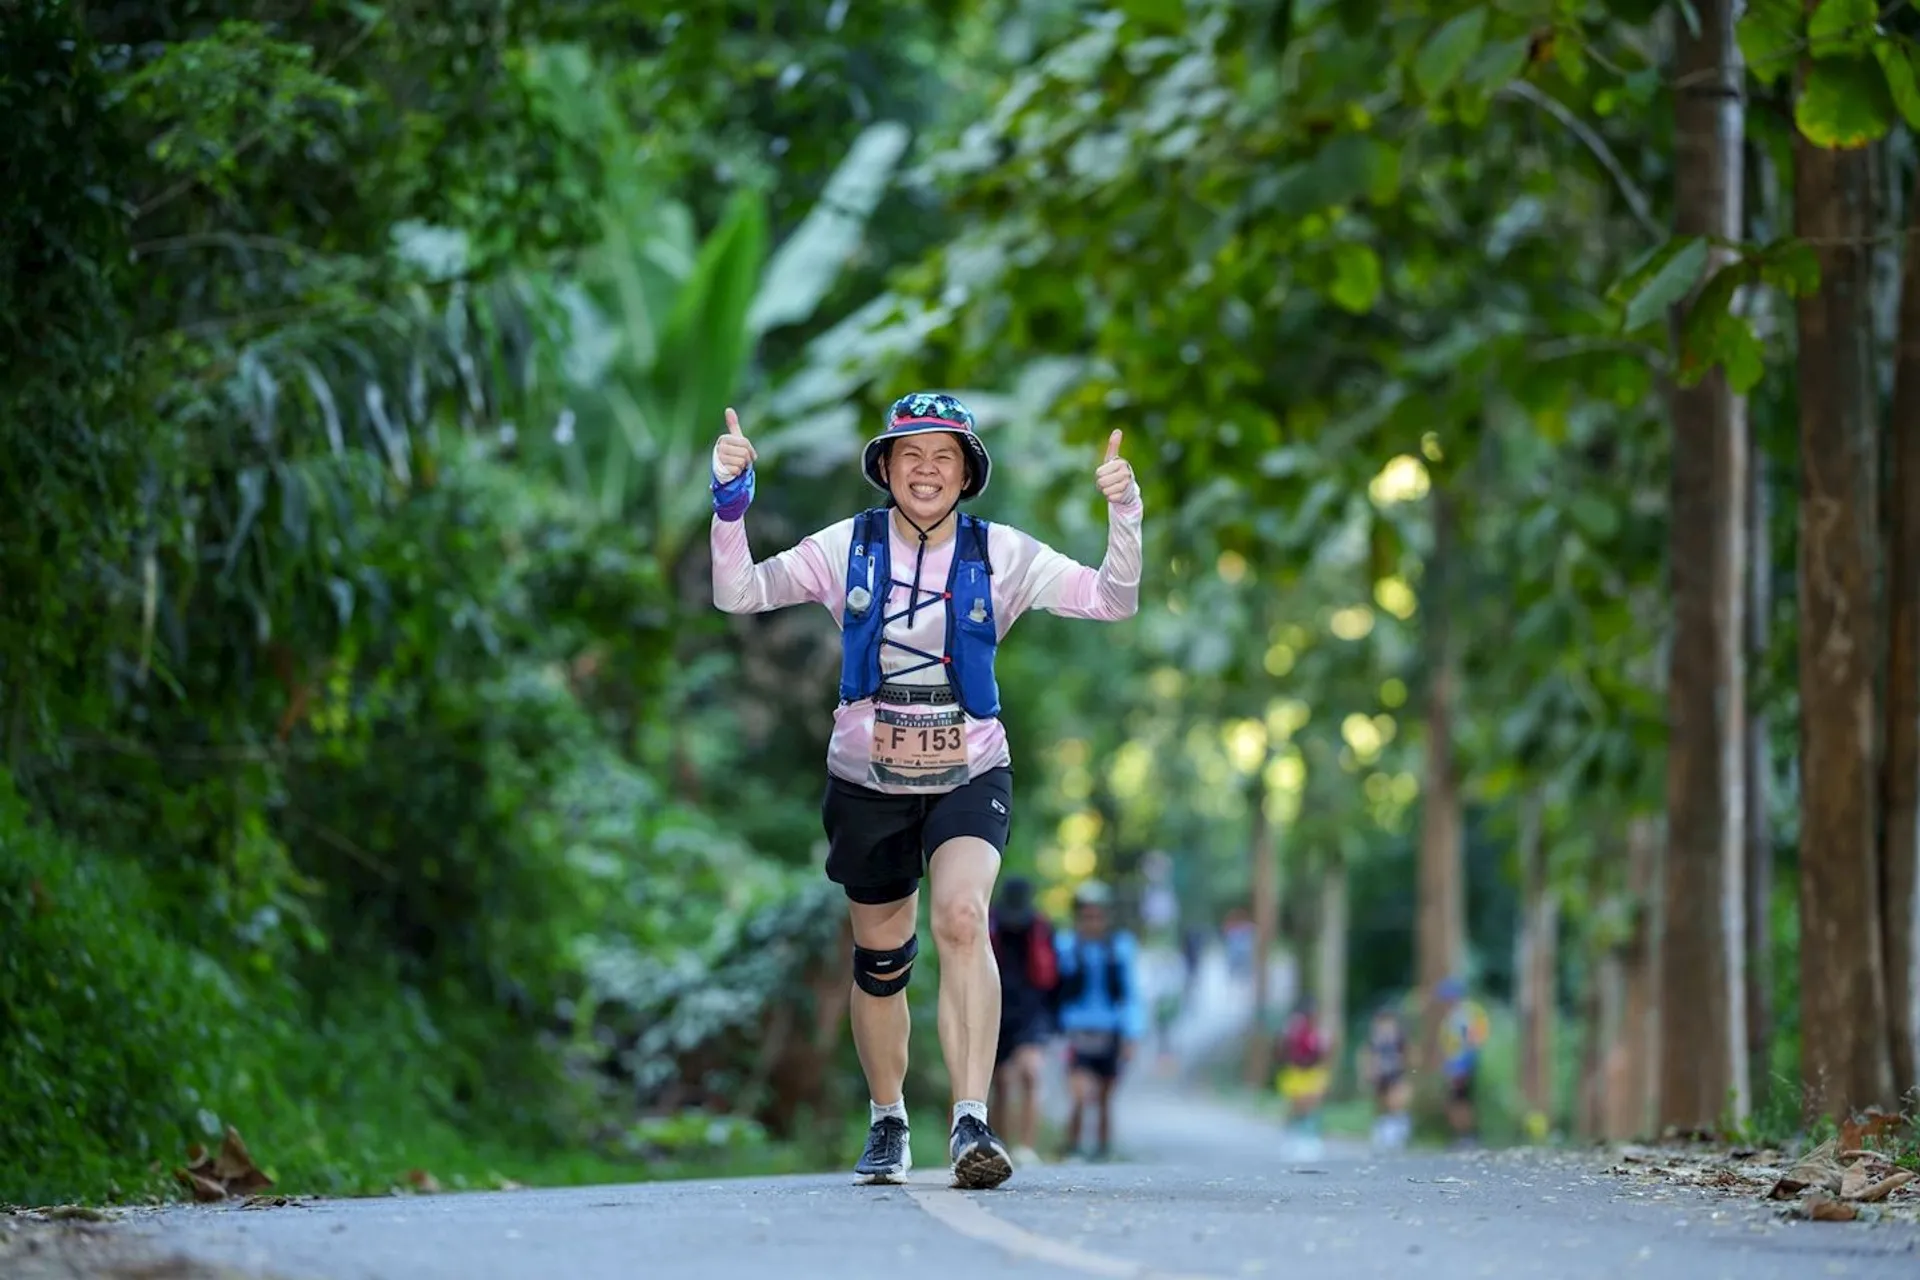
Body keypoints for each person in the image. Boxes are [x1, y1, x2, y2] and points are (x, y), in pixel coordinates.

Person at [708, 393, 1143, 1189]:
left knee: (963, 915)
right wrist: (730, 501)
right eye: (911, 455)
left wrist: (1125, 512)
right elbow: (738, 594)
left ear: (968, 470)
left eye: (945, 456)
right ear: (886, 467)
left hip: (971, 765)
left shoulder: (1002, 553)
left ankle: (971, 1118)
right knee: (881, 961)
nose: (927, 470)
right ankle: (887, 1120)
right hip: (865, 775)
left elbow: (1113, 601)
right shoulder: (846, 546)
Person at [1054, 881, 1147, 1161]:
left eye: (1097, 915)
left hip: (1111, 1032)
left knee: (1106, 1097)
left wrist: (1132, 1033)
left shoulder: (1120, 948)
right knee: (1080, 1095)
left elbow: (1131, 993)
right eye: (1087, 915)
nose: (1092, 921)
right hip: (1076, 1031)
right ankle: (1073, 1149)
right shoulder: (1066, 946)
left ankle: (1103, 1153)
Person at [988, 876, 1059, 1166]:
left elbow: (1056, 977)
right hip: (996, 1007)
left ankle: (1027, 1148)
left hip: (1032, 1011)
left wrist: (1055, 1018)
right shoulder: (991, 924)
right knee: (1002, 1083)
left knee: (1031, 1072)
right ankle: (1000, 1147)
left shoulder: (1042, 929)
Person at [1435, 976, 1489, 1148]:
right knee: (1455, 1101)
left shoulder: (1464, 1015)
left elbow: (1470, 1042)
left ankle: (1467, 1135)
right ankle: (1462, 1135)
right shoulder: (1454, 1016)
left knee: (1460, 1101)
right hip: (1455, 1064)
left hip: (1462, 1065)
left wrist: (1462, 1066)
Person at [1273, 998, 1331, 1158]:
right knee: (1296, 1105)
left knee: (1312, 1104)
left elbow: (1325, 1052)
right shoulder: (1291, 1028)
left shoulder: (1319, 1031)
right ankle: (1292, 1136)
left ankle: (1311, 1138)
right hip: (1295, 1070)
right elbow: (1281, 1048)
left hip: (1313, 1071)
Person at [1360, 1004, 1412, 1151]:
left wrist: (1406, 1068)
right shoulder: (1375, 1039)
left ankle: (1399, 1130)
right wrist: (1368, 1072)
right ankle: (1382, 1131)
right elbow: (1367, 1055)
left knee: (1396, 1101)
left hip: (1396, 1073)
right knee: (1381, 1103)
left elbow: (1408, 1054)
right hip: (1380, 1076)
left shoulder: (1399, 1038)